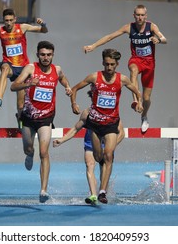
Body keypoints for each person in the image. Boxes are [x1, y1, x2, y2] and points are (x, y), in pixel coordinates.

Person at [69, 48, 142, 204]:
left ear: (117, 64)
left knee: (108, 155)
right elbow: (74, 88)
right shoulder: (95, 77)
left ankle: (102, 192)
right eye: (107, 64)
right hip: (95, 124)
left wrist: (138, 103)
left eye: (112, 65)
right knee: (98, 157)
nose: (109, 68)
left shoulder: (122, 79)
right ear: (103, 62)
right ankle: (99, 187)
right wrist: (74, 104)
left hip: (111, 124)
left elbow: (136, 90)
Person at [83, 4, 167, 133]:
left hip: (150, 64)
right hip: (136, 60)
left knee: (147, 98)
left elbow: (164, 38)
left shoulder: (152, 27)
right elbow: (110, 36)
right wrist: (93, 46)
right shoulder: (129, 27)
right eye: (137, 15)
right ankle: (135, 100)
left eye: (142, 15)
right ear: (134, 16)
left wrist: (159, 40)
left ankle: (144, 116)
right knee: (133, 70)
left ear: (146, 16)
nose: (140, 17)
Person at [10, 41, 72, 203]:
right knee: (29, 148)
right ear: (38, 54)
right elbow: (13, 86)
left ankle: (43, 189)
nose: (46, 58)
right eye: (43, 54)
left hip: (46, 118)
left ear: (53, 55)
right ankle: (29, 154)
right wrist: (29, 83)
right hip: (29, 117)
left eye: (49, 55)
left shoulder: (57, 70)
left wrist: (67, 87)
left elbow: (63, 79)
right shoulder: (31, 68)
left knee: (44, 152)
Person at [53, 91, 125, 205]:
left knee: (103, 172)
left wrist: (111, 147)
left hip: (105, 145)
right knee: (89, 165)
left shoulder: (113, 113)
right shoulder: (87, 113)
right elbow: (76, 128)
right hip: (90, 144)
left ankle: (103, 192)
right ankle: (93, 195)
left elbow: (121, 133)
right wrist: (62, 140)